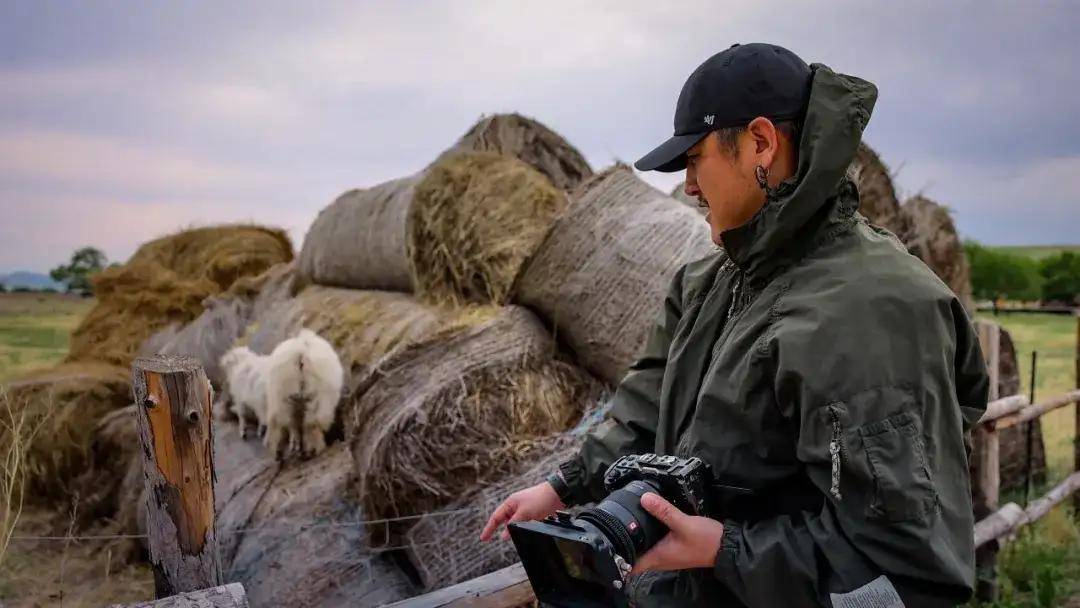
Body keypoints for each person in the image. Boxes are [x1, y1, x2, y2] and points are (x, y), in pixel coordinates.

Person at [481, 43, 990, 607]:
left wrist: (724, 550)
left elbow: (910, 573)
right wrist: (563, 486)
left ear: (761, 144)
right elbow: (648, 402)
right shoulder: (709, 283)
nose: (689, 187)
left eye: (695, 159)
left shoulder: (872, 313)